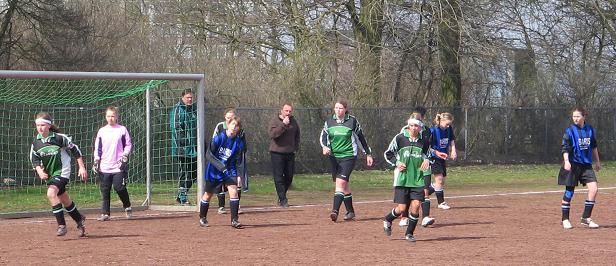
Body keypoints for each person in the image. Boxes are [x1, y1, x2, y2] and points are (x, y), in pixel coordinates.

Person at [29, 112, 88, 237]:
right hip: (50, 174)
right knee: (64, 199)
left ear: (49, 126)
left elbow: (75, 150)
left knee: (51, 193)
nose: (40, 128)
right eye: (38, 125)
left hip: (62, 172)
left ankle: (62, 226)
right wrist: (39, 171)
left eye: (43, 125)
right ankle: (79, 219)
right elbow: (34, 160)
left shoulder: (59, 138)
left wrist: (81, 167)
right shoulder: (36, 142)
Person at [320, 99, 373, 222]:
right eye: (336, 108)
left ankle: (335, 211)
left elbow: (361, 139)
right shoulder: (329, 122)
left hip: (348, 156)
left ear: (345, 109)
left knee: (340, 184)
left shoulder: (352, 121)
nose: (338, 110)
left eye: (340, 108)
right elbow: (323, 136)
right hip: (334, 157)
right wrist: (325, 146)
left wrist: (368, 154)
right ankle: (350, 212)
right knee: (344, 185)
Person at [382, 116, 431, 242]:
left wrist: (426, 160)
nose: (414, 128)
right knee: (402, 208)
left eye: (417, 126)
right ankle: (388, 219)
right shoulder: (400, 138)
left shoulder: (424, 140)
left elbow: (428, 155)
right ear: (408, 125)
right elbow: (388, 153)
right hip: (402, 179)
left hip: (417, 179)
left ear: (420, 127)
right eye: (412, 125)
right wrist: (397, 163)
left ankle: (409, 234)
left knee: (416, 205)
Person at [199, 116, 246, 229]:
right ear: (228, 125)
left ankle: (234, 220)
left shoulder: (238, 143)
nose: (234, 127)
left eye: (237, 126)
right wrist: (221, 166)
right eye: (232, 124)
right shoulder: (218, 138)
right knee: (208, 195)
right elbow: (208, 155)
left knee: (234, 192)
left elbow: (239, 160)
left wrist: (239, 175)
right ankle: (202, 217)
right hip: (214, 171)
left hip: (229, 170)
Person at [559, 107, 601, 229]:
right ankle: (565, 219)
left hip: (586, 165)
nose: (575, 118)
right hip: (573, 164)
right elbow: (565, 148)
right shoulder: (570, 131)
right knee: (569, 192)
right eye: (573, 116)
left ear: (584, 116)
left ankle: (586, 218)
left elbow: (594, 146)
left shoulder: (590, 130)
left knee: (594, 189)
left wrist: (597, 161)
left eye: (578, 116)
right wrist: (566, 161)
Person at [93, 106, 133, 221]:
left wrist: (125, 155)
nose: (110, 118)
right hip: (104, 166)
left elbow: (128, 144)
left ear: (116, 117)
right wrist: (96, 160)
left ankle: (127, 206)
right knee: (105, 190)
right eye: (108, 116)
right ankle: (105, 213)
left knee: (119, 187)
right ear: (105, 117)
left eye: (112, 116)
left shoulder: (122, 129)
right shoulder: (102, 131)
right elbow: (98, 148)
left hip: (118, 165)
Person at [398, 107, 436, 228]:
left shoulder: (427, 131)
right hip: (409, 167)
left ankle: (425, 217)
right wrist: (398, 163)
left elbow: (429, 149)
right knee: (408, 192)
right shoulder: (404, 131)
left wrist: (434, 155)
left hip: (423, 166)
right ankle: (404, 217)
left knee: (425, 191)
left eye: (418, 120)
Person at [212, 108, 247, 214]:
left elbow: (243, 145)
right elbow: (214, 142)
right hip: (222, 159)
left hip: (235, 159)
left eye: (232, 118)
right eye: (228, 118)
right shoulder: (220, 127)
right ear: (225, 117)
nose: (230, 120)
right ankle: (221, 206)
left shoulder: (240, 129)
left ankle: (237, 206)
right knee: (220, 182)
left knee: (238, 181)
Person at [268, 102, 300, 208]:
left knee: (289, 177)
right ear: (281, 110)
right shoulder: (275, 121)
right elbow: (273, 134)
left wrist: (295, 147)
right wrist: (283, 125)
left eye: (290, 111)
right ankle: (283, 199)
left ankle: (281, 195)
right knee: (278, 177)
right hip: (277, 153)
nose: (288, 113)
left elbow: (297, 135)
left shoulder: (293, 121)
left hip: (290, 153)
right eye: (286, 111)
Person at [170, 89, 198, 204]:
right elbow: (176, 128)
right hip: (182, 149)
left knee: (195, 173)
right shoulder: (177, 110)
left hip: (194, 149)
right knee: (184, 173)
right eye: (188, 97)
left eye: (191, 97)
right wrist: (184, 143)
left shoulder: (194, 110)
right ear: (182, 97)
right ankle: (182, 198)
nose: (190, 99)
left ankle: (181, 194)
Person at [429, 112, 457, 210]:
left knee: (441, 181)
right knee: (439, 179)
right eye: (447, 123)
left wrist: (453, 150)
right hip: (433, 158)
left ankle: (423, 194)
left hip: (442, 158)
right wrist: (435, 152)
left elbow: (452, 140)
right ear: (441, 121)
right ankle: (441, 202)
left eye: (450, 124)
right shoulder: (432, 131)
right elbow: (427, 146)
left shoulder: (449, 129)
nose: (448, 125)